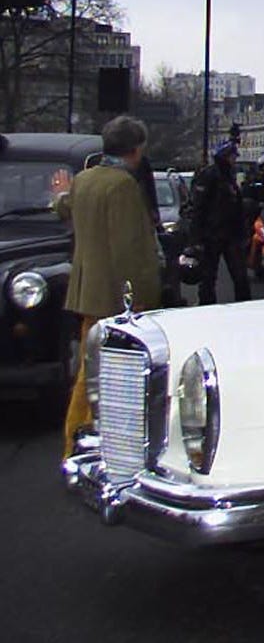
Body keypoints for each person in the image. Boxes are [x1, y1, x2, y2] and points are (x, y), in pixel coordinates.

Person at [60, 116, 162, 455]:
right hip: (113, 296)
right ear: (135, 149)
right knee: (108, 376)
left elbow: (63, 207)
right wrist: (145, 295)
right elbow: (130, 249)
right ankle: (84, 442)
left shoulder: (84, 180)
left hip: (87, 288)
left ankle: (75, 437)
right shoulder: (122, 186)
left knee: (88, 372)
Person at [188, 139, 252, 305]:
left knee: (240, 276)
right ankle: (207, 308)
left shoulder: (230, 177)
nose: (234, 159)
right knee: (208, 278)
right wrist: (196, 239)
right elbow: (198, 208)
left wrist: (243, 230)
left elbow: (237, 206)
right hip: (212, 234)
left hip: (230, 234)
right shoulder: (209, 175)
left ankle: (245, 307)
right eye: (232, 156)